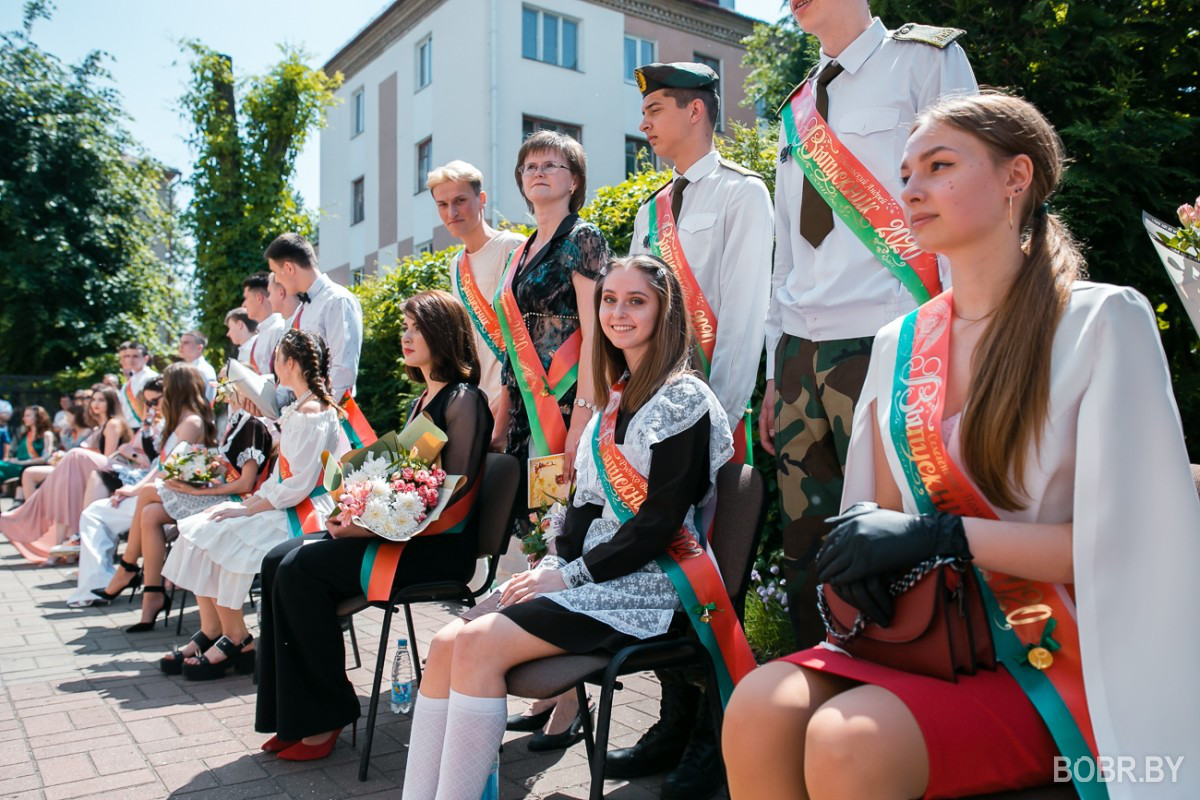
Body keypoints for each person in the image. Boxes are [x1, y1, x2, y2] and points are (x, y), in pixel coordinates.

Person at [723, 93, 1200, 800]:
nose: (910, 188)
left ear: (1017, 178)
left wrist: (941, 533)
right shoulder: (899, 341)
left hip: (1058, 655)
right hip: (928, 637)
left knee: (847, 741)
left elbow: (1129, 545)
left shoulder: (1102, 321)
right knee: (760, 703)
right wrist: (863, 558)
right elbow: (879, 515)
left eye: (940, 166)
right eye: (906, 171)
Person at [402, 255, 738, 800]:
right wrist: (553, 566)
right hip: (591, 576)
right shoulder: (614, 398)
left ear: (665, 311)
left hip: (650, 581)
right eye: (609, 299)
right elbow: (581, 506)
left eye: (636, 301)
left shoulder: (684, 399)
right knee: (446, 642)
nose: (618, 312)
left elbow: (656, 524)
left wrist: (570, 576)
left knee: (478, 645)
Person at [759, 0, 978, 647]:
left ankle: (911, 709)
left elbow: (967, 202)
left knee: (901, 537)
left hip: (891, 341)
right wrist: (776, 369)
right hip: (801, 352)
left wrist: (961, 345)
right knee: (807, 555)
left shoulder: (923, 62)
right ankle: (814, 693)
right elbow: (785, 251)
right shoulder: (796, 108)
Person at [605, 61, 774, 796]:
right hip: (653, 424)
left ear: (697, 111)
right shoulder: (650, 212)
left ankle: (717, 738)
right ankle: (673, 721)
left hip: (706, 422)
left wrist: (722, 425)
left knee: (712, 576)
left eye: (656, 107)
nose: (645, 121)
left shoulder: (742, 192)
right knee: (662, 569)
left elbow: (743, 314)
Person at [255, 290, 492, 761]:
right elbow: (403, 483)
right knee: (277, 559)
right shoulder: (423, 399)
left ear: (443, 334)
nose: (405, 337)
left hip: (435, 546)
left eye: (414, 328)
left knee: (302, 570)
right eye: (403, 328)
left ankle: (328, 714)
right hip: (398, 531)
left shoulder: (465, 400)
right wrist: (355, 509)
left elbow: (452, 497)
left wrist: (365, 527)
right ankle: (294, 715)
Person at [160, 330, 343, 679]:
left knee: (225, 536)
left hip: (303, 512)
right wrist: (252, 501)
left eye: (276, 357)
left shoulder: (312, 412)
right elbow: (281, 478)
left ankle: (237, 636)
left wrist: (248, 508)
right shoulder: (299, 408)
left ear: (290, 363)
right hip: (285, 502)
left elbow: (298, 485)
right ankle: (215, 629)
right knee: (203, 527)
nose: (273, 365)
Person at [84, 364, 215, 626]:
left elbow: (171, 468)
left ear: (176, 388)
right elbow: (162, 466)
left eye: (166, 385)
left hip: (197, 493)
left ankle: (128, 568)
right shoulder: (180, 421)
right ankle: (152, 591)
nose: (161, 391)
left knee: (146, 495)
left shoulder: (192, 421)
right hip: (178, 490)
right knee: (148, 513)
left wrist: (137, 488)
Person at [431, 160, 524, 448]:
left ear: (481, 200)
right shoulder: (455, 264)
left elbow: (523, 334)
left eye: (460, 201)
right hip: (478, 399)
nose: (452, 213)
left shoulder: (512, 247)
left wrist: (506, 400)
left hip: (517, 399)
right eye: (443, 204)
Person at [0, 386, 131, 563]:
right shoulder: (97, 427)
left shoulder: (114, 423)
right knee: (59, 484)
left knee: (73, 459)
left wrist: (72, 456)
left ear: (111, 403)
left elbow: (109, 459)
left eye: (101, 400)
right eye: (94, 400)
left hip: (108, 472)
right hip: (85, 469)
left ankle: (33, 515)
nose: (95, 404)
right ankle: (56, 540)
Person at [266, 233, 363, 402]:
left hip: (328, 416)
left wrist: (315, 412)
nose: (278, 281)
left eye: (276, 273)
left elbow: (343, 372)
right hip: (299, 416)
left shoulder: (338, 300)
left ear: (289, 268)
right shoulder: (299, 311)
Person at [244, 272, 287, 375]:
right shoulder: (262, 333)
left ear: (259, 298)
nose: (243, 304)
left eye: (246, 298)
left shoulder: (279, 329)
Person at [0, 405, 54, 482]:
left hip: (30, 467)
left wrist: (20, 462)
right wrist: (10, 460)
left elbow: (45, 458)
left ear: (38, 417)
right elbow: (21, 456)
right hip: (18, 465)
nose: (24, 418)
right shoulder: (25, 435)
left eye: (28, 415)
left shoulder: (47, 434)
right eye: (24, 416)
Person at [117, 341, 159, 431]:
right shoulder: (130, 380)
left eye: (135, 356)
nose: (131, 360)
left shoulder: (151, 377)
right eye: (128, 356)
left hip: (143, 427)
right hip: (128, 428)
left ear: (146, 358)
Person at [179, 330, 218, 403]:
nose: (181, 346)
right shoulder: (193, 368)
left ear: (199, 348)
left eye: (186, 343)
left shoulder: (201, 370)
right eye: (181, 342)